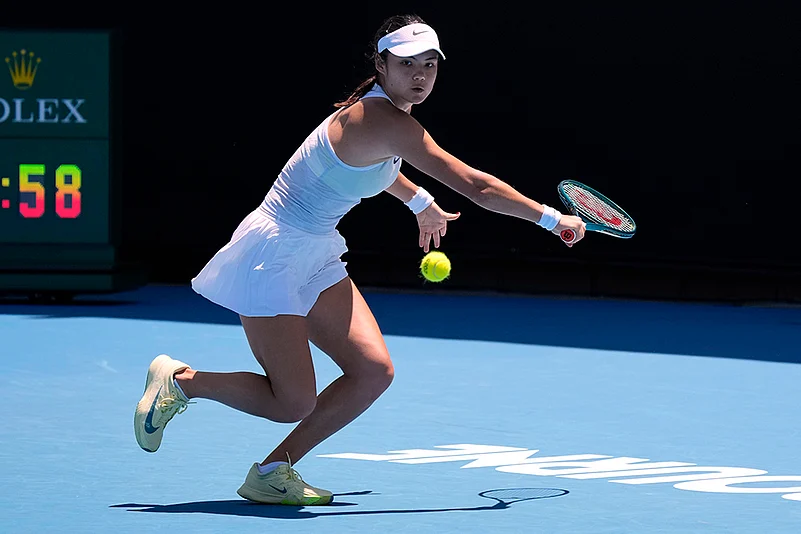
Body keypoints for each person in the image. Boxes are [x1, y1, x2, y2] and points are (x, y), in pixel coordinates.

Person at [133, 13, 587, 506]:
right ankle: (182, 383)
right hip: (273, 253)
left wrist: (419, 202)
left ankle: (272, 470)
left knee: (372, 371)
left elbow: (372, 169)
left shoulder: (385, 117)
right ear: (381, 63)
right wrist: (550, 219)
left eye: (430, 65)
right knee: (292, 401)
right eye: (407, 63)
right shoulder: (381, 120)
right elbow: (476, 187)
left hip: (315, 250)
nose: (420, 75)